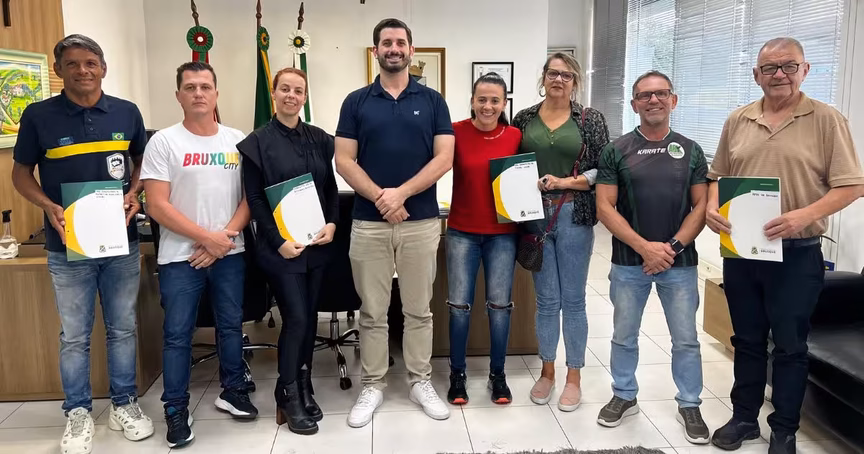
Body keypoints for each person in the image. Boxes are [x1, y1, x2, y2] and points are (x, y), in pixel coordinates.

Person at [706, 38, 864, 454]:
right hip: (743, 252)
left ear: (804, 70)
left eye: (788, 66)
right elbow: (717, 177)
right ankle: (744, 419)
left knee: (791, 346)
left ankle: (784, 429)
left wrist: (802, 215)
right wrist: (709, 209)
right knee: (747, 340)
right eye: (769, 68)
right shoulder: (738, 119)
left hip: (797, 253)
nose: (779, 74)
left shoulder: (827, 120)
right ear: (756, 75)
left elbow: (852, 186)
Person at [10, 34, 154, 454]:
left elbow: (143, 160)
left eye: (90, 62)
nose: (82, 70)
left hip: (120, 243)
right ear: (58, 71)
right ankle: (77, 412)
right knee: (74, 335)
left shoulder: (127, 112)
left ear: (103, 68)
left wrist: (135, 192)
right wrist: (47, 205)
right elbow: (20, 174)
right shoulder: (38, 116)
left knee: (122, 327)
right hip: (67, 245)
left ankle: (124, 403)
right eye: (72, 63)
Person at [335, 18, 455, 427]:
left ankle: (420, 381)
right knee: (372, 312)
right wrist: (382, 199)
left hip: (420, 222)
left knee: (419, 310)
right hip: (369, 223)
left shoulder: (433, 101)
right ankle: (373, 384)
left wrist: (400, 194)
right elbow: (343, 160)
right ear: (376, 51)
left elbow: (444, 158)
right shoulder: (356, 101)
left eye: (400, 42)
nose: (394, 49)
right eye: (386, 43)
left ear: (410, 49)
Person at [140, 61, 256, 448]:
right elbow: (157, 205)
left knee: (230, 325)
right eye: (190, 87)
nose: (198, 93)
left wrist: (222, 239)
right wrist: (208, 239)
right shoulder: (164, 142)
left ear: (216, 94)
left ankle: (233, 390)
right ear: (179, 95)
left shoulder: (236, 140)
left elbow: (248, 198)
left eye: (205, 86)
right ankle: (175, 408)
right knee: (177, 335)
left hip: (229, 251)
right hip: (180, 257)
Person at [595, 71, 710, 443]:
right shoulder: (616, 150)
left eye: (661, 94)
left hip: (680, 263)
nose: (653, 100)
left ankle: (689, 403)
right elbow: (605, 207)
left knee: (686, 339)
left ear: (673, 100)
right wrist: (645, 247)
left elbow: (701, 206)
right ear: (634, 104)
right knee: (624, 335)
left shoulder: (692, 150)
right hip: (629, 263)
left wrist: (671, 248)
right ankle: (624, 394)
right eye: (645, 95)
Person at [237, 67, 338, 435]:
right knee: (295, 318)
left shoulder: (320, 139)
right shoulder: (256, 142)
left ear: (305, 97)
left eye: (298, 90)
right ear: (274, 93)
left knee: (309, 317)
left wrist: (332, 223)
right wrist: (279, 240)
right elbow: (254, 198)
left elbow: (329, 188)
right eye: (285, 89)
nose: (291, 95)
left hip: (316, 244)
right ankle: (287, 390)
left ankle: (304, 382)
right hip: (280, 249)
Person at [511, 52, 609, 412]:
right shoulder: (524, 118)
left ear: (575, 81)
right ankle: (547, 372)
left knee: (574, 301)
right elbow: (512, 166)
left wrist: (565, 181)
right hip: (534, 217)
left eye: (566, 75)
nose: (559, 80)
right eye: (553, 73)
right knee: (547, 301)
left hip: (573, 215)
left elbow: (604, 168)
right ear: (543, 77)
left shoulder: (590, 120)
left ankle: (574, 376)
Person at [446, 72, 522, 406]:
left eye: (494, 100)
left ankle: (498, 375)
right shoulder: (455, 132)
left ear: (504, 103)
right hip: (461, 232)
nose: (487, 106)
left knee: (500, 308)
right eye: (482, 99)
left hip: (502, 236)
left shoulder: (515, 136)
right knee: (459, 307)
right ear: (472, 101)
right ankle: (457, 375)